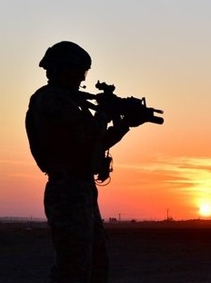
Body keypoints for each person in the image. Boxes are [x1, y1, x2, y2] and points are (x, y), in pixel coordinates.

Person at [25, 41, 147, 283]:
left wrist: (124, 125)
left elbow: (95, 144)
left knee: (96, 264)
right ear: (63, 69)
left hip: (81, 189)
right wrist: (105, 112)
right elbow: (87, 133)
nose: (83, 77)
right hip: (67, 190)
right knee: (73, 268)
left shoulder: (71, 101)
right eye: (80, 70)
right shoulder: (50, 100)